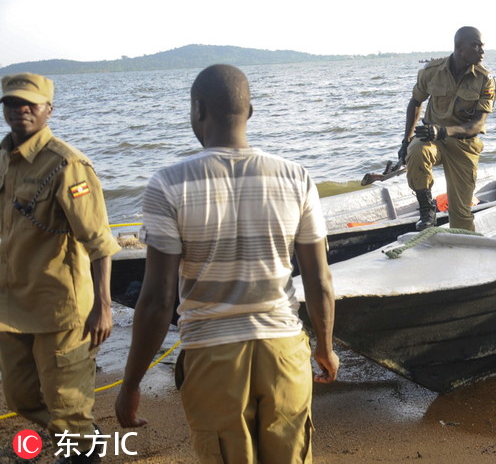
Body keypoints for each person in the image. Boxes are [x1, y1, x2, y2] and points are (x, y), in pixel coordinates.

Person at [115, 64, 339, 463]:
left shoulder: (168, 184)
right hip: (284, 351)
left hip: (211, 357)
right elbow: (319, 280)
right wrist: (325, 346)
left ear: (197, 110)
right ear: (249, 111)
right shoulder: (296, 177)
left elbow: (156, 299)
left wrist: (131, 383)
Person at [0, 73, 121, 463]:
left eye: (30, 104)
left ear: (48, 110)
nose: (20, 110)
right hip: (12, 306)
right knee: (19, 396)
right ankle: (81, 435)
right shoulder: (4, 160)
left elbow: (100, 243)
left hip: (61, 309)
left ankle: (81, 443)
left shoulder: (67, 165)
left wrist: (104, 305)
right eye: (12, 103)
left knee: (66, 404)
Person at [397, 26, 496, 232]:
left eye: (482, 46)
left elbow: (476, 125)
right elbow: (415, 102)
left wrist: (443, 131)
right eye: (475, 46)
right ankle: (427, 210)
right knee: (416, 150)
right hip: (433, 140)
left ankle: (464, 248)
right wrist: (406, 141)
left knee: (461, 214)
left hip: (463, 145)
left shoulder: (485, 80)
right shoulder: (432, 72)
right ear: (460, 47)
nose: (481, 52)